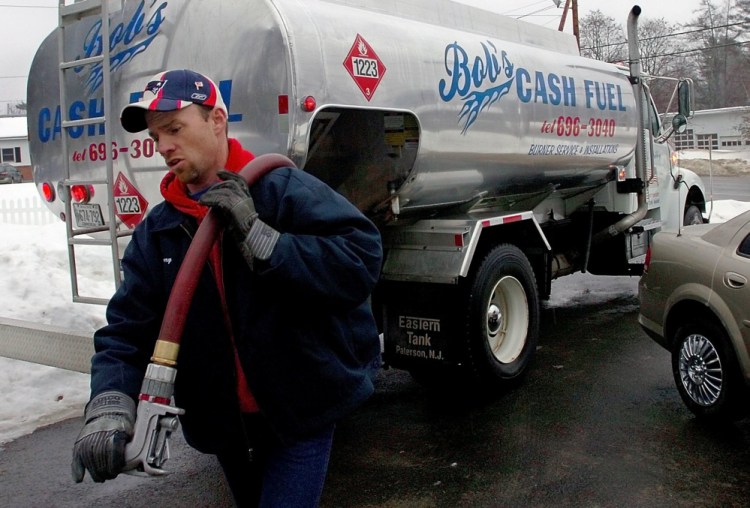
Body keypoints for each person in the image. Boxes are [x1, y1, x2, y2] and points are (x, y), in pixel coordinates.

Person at [70, 69, 383, 507]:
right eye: (157, 136)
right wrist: (108, 400)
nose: (163, 147)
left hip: (298, 414)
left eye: (174, 129)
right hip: (226, 427)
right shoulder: (158, 231)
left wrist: (264, 240)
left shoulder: (279, 190)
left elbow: (360, 259)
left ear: (217, 120)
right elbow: (127, 330)